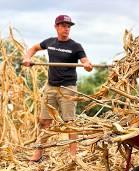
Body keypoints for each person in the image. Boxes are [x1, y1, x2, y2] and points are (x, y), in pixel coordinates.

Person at [23, 15, 93, 162]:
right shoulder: (50, 42)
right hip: (50, 87)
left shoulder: (75, 46)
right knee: (44, 122)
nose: (66, 29)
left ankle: (73, 156)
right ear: (56, 27)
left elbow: (85, 62)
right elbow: (34, 48)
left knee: (70, 123)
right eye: (63, 26)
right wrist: (28, 58)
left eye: (68, 26)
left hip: (68, 88)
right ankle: (38, 153)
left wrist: (87, 65)